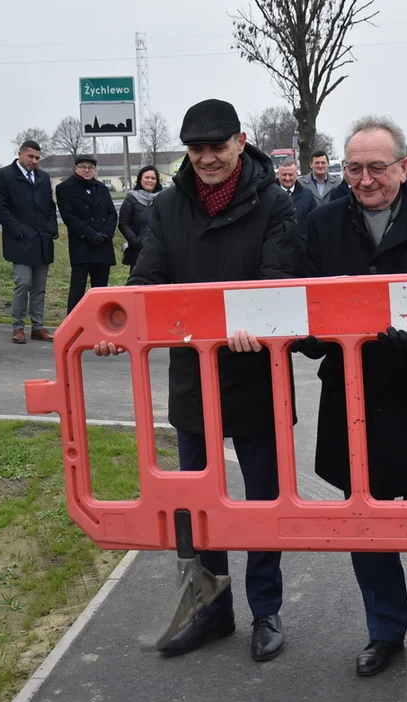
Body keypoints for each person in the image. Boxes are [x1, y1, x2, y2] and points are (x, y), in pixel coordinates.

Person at [94, 98, 300, 662]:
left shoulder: (275, 204)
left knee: (262, 501)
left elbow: (278, 281)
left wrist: (251, 323)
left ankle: (266, 610)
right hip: (194, 377)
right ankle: (212, 611)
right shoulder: (168, 206)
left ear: (241, 141)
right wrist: (122, 322)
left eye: (217, 146)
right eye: (197, 148)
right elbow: (147, 277)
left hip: (257, 372)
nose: (207, 158)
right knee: (197, 503)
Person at [296, 116, 407, 678]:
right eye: (354, 168)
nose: (365, 178)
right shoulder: (323, 223)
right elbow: (306, 313)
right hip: (354, 396)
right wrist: (324, 333)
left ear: (404, 166)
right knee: (365, 519)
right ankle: (383, 628)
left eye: (378, 166)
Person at [0, 140, 58, 344]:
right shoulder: (3, 176)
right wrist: (19, 231)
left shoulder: (43, 178)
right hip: (19, 241)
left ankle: (38, 326)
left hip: (42, 240)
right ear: (20, 154)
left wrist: (51, 229)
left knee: (39, 287)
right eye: (31, 157)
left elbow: (49, 206)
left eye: (37, 158)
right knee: (23, 283)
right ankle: (18, 326)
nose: (34, 161)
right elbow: (0, 208)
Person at [56, 154, 117, 314]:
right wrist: (91, 235)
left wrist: (104, 234)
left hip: (103, 245)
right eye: (83, 167)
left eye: (90, 168)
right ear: (76, 168)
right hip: (81, 246)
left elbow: (112, 213)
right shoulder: (64, 188)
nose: (87, 170)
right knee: (77, 288)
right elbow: (69, 217)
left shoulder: (102, 188)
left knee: (101, 291)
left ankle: (101, 324)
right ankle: (73, 326)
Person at [118, 165, 161, 269]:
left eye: (153, 178)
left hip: (159, 249)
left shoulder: (163, 198)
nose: (150, 181)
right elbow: (123, 223)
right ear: (140, 179)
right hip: (138, 250)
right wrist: (135, 241)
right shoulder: (131, 198)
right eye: (147, 177)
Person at [275, 158, 316, 245]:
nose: (287, 178)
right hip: (276, 248)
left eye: (290, 174)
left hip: (300, 248)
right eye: (284, 175)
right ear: (278, 175)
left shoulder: (307, 195)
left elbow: (314, 222)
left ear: (296, 175)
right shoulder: (270, 195)